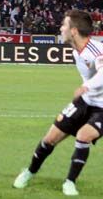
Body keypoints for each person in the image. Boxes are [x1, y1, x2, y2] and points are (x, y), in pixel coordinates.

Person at [13, 10, 103, 196]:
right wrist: (86, 91)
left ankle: (69, 182)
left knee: (84, 135)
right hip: (85, 101)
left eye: (64, 25)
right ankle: (29, 172)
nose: (60, 28)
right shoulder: (76, 50)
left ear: (74, 31)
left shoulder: (94, 50)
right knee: (50, 139)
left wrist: (86, 86)